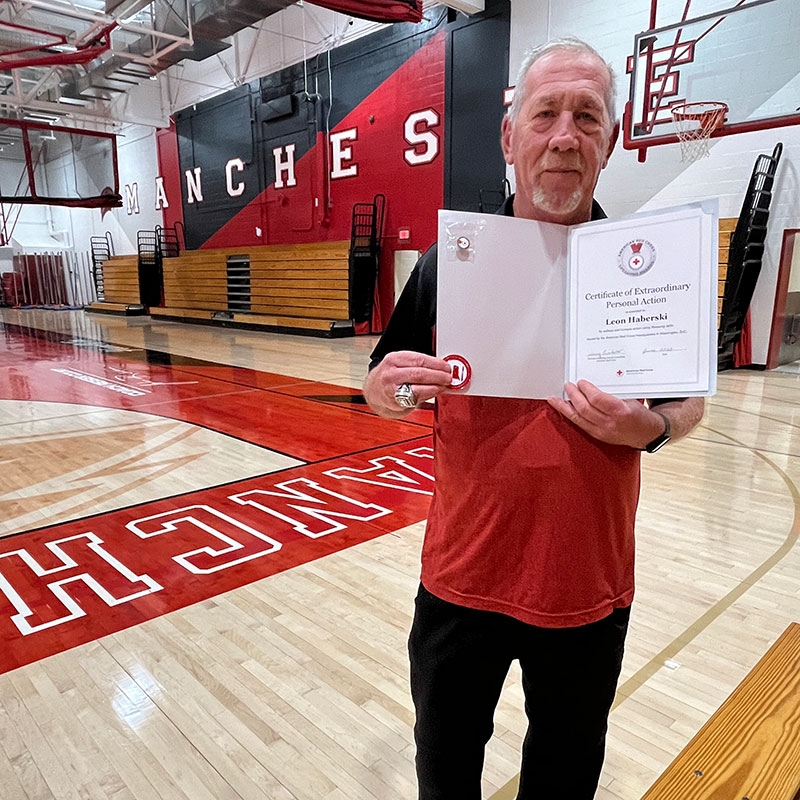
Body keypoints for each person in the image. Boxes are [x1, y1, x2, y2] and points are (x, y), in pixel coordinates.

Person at [363, 37, 705, 800]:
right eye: (545, 112)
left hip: (588, 585)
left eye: (588, 116)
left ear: (611, 143)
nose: (564, 136)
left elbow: (689, 401)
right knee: (445, 770)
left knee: (564, 773)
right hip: (461, 581)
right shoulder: (449, 263)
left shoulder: (645, 269)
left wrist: (651, 429)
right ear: (509, 136)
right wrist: (385, 389)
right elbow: (383, 384)